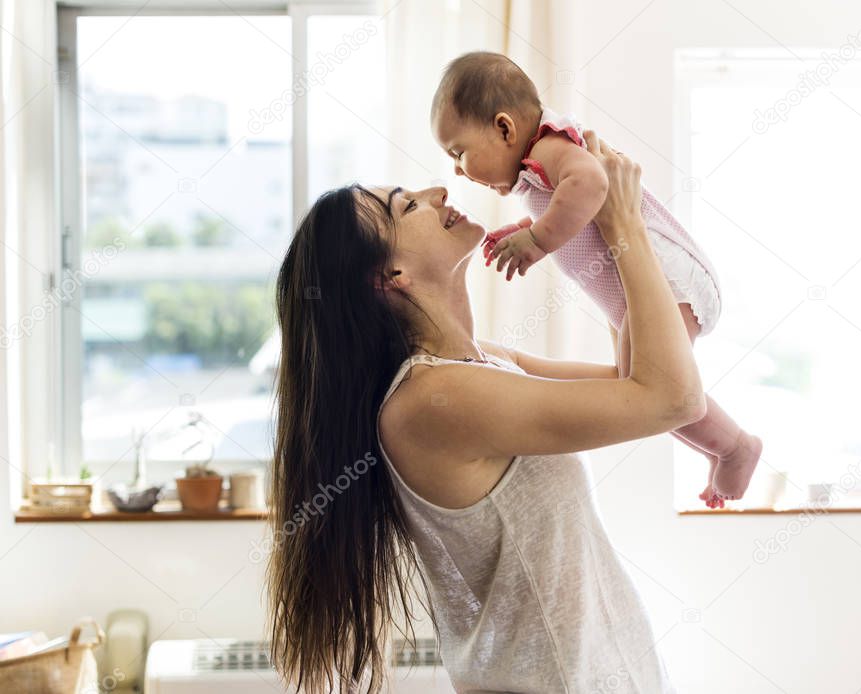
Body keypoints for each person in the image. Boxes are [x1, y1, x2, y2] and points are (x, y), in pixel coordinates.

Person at [267, 131, 695, 692]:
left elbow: (635, 377)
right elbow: (672, 398)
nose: (438, 190)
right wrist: (623, 227)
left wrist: (588, 233)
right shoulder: (432, 401)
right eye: (408, 206)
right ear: (390, 277)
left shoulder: (482, 364)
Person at [431, 51, 762, 507]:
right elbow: (571, 213)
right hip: (640, 288)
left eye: (459, 152)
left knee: (653, 391)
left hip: (666, 276)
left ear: (505, 128)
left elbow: (591, 184)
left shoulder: (548, 147)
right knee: (641, 389)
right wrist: (528, 232)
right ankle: (723, 448)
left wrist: (539, 240)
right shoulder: (537, 163)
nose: (457, 169)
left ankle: (736, 447)